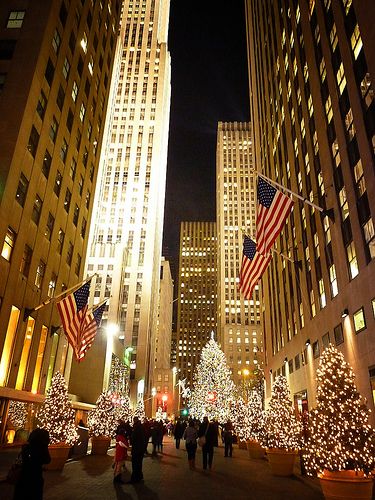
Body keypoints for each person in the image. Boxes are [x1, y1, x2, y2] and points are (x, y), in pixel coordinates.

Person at [13, 428, 51, 500]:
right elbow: (47, 460)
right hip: (35, 478)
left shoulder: (26, 447)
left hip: (23, 477)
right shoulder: (41, 448)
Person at [127, 417, 145, 484]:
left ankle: (135, 478)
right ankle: (139, 476)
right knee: (139, 463)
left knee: (135, 464)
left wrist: (130, 438)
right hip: (141, 448)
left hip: (137, 448)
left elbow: (134, 438)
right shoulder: (141, 427)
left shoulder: (136, 428)